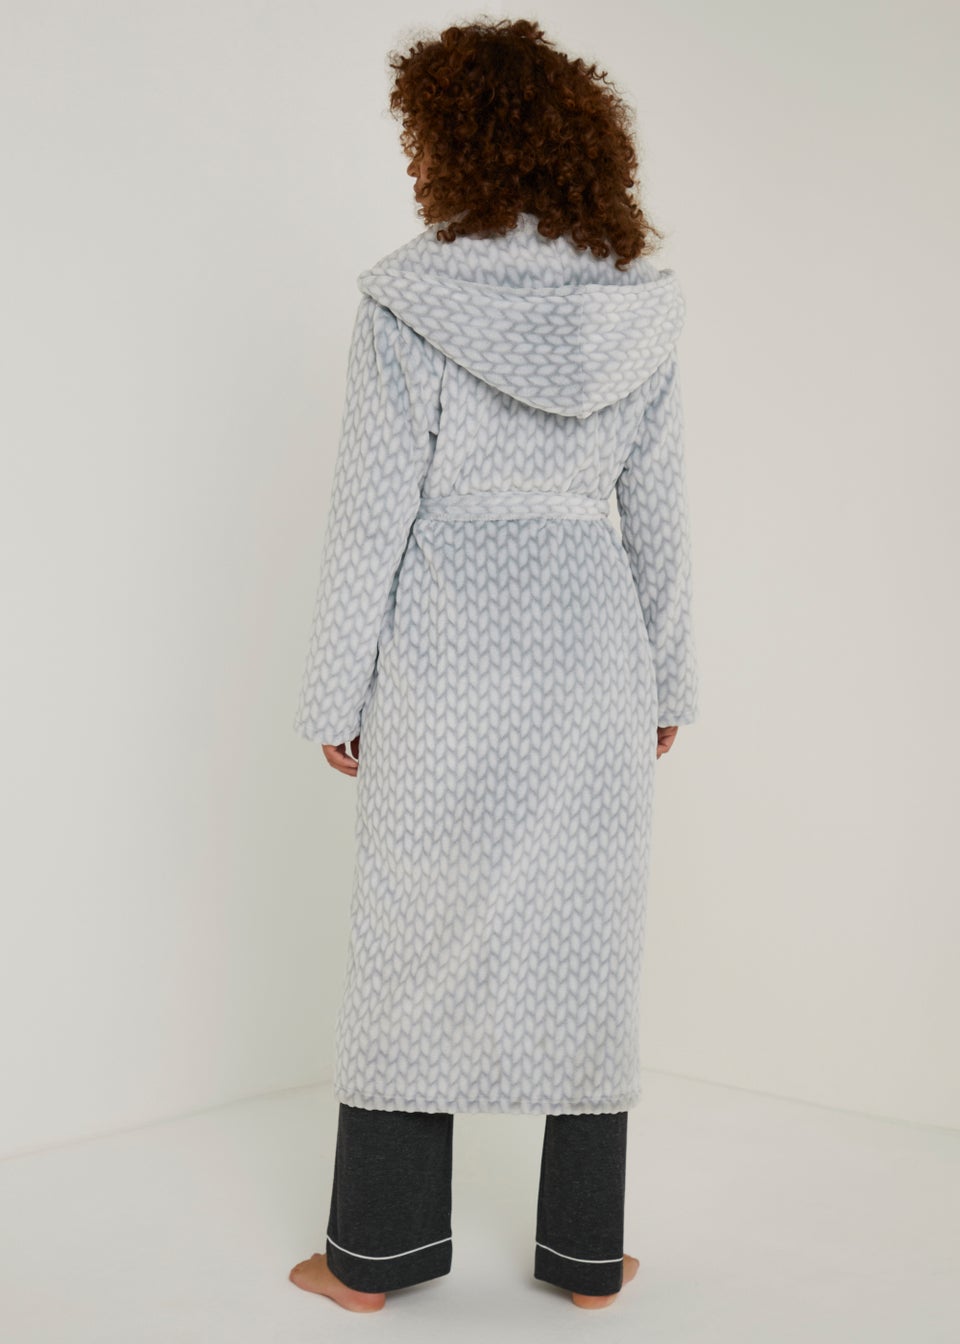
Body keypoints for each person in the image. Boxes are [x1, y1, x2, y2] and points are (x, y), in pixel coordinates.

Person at [288, 16, 699, 1313]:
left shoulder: (412, 301)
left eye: (421, 137)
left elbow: (370, 517)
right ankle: (586, 1257)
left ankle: (377, 1255)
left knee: (412, 938)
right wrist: (670, 681)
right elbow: (661, 513)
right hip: (594, 654)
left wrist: (336, 691)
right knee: (591, 940)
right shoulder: (637, 307)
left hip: (447, 653)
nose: (413, 160)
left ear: (463, 143)